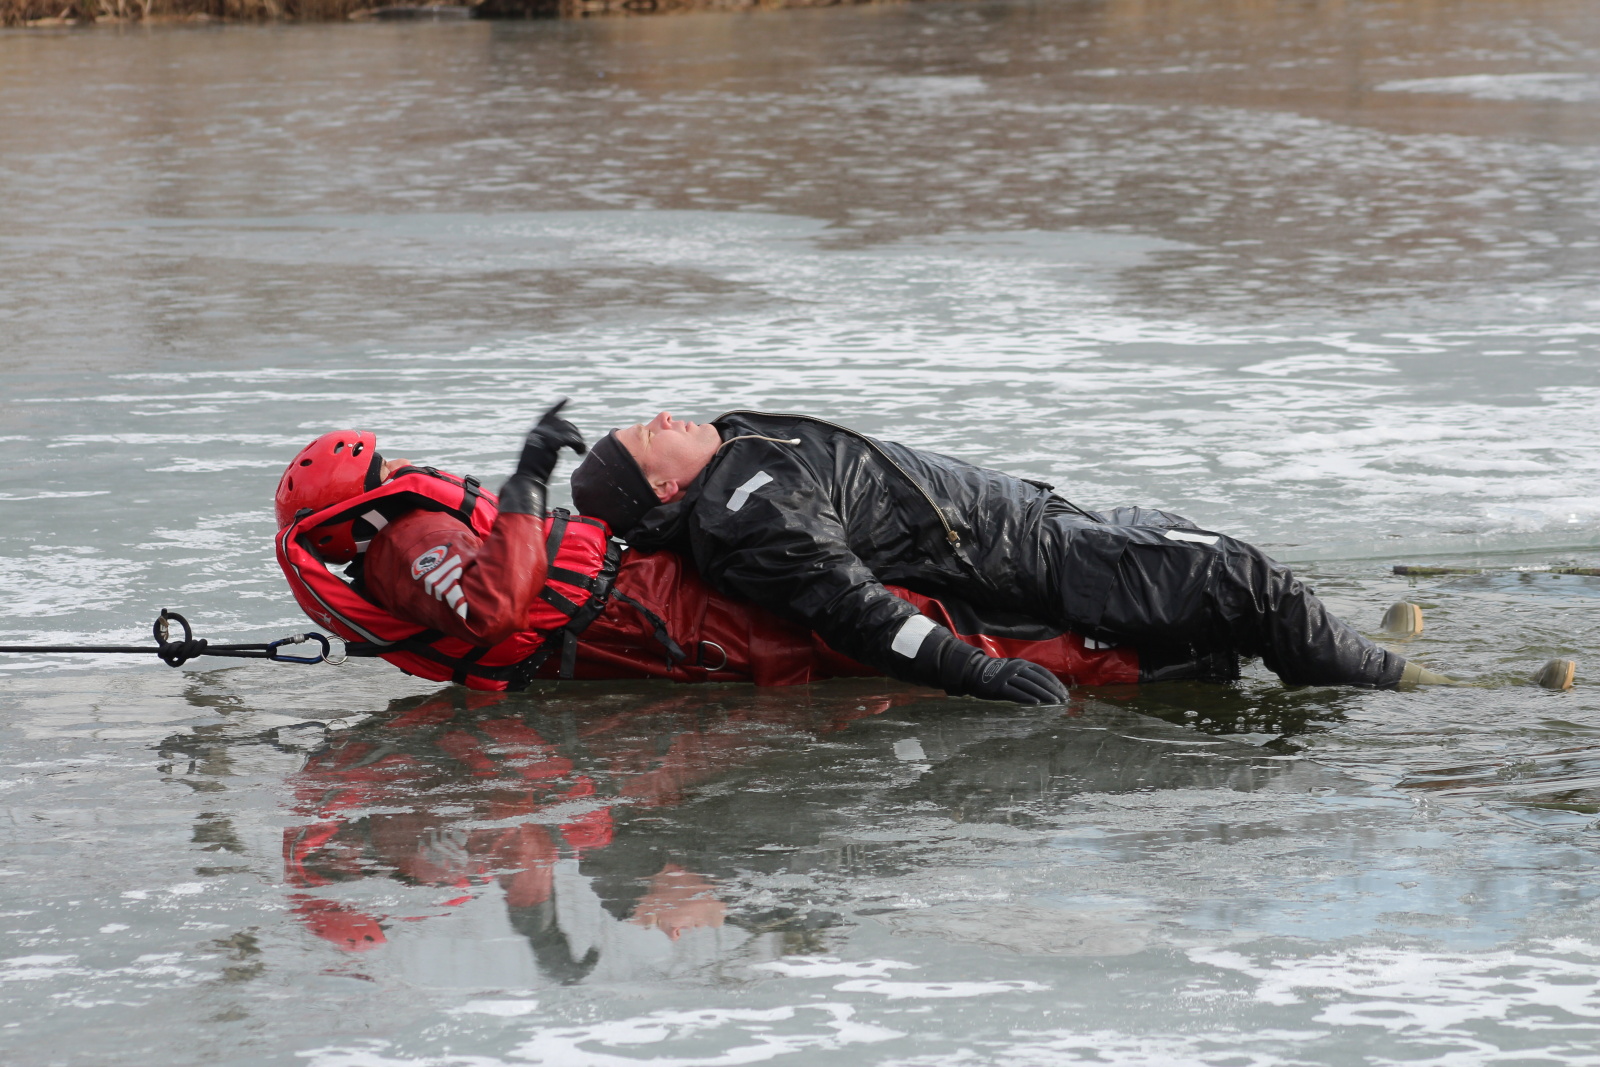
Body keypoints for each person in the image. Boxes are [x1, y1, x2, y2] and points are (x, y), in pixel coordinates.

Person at [569, 408, 1464, 701]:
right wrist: (975, 673)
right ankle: (1405, 686)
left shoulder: (733, 453)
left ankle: (1319, 644)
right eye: (646, 435)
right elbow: (857, 611)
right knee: (1234, 571)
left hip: (1035, 520)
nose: (662, 416)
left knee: (1171, 528)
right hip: (1031, 562)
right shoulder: (749, 514)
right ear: (664, 490)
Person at [272, 402, 1145, 695]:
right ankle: (1124, 661)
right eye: (385, 460)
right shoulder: (407, 541)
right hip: (667, 618)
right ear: (365, 488)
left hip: (652, 597)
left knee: (891, 606)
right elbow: (497, 603)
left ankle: (1107, 637)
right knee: (890, 624)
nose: (406, 460)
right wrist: (527, 481)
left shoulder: (402, 540)